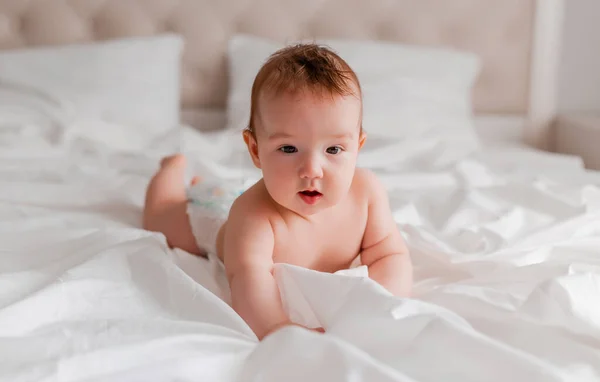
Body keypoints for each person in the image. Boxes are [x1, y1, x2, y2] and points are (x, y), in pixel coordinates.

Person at [143, 43, 413, 340]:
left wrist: (381, 305)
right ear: (256, 150)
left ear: (357, 148)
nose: (312, 169)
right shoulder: (252, 215)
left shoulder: (367, 194)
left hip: (245, 193)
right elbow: (248, 279)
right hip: (217, 216)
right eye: (288, 148)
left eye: (333, 149)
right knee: (162, 219)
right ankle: (171, 169)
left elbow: (390, 255)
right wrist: (278, 327)